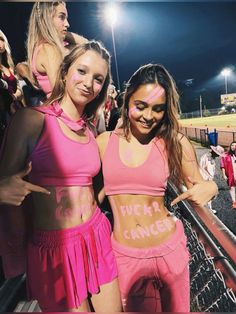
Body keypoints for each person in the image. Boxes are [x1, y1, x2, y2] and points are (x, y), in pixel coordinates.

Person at [0, 41, 121, 312]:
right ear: (65, 72)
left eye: (98, 78)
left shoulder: (90, 131)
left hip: (96, 236)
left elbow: (93, 187)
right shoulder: (31, 120)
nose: (89, 83)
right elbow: (5, 186)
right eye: (82, 71)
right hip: (54, 251)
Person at [95, 64, 218, 312]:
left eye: (158, 109)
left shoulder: (174, 142)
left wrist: (212, 187)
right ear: (128, 99)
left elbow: (202, 184)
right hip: (126, 258)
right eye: (140, 106)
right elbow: (89, 200)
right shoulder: (104, 143)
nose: (148, 116)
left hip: (169, 252)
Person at [26, 1, 88, 97]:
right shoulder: (48, 49)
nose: (67, 24)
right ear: (46, 19)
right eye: (61, 17)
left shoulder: (51, 47)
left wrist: (60, 33)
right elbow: (61, 93)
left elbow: (87, 46)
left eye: (66, 18)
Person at [0, 30, 25, 142]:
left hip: (16, 108)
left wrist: (15, 96)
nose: (0, 43)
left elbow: (19, 88)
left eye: (1, 39)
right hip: (4, 111)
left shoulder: (9, 66)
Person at [199, 145, 224, 214]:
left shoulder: (207, 156)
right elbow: (208, 170)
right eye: (217, 154)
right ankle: (208, 211)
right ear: (214, 152)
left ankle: (207, 209)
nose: (218, 156)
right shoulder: (209, 159)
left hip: (205, 178)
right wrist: (210, 180)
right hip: (205, 179)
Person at [220, 141, 236, 209]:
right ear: (230, 146)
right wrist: (224, 175)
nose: (234, 147)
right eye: (232, 145)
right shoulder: (225, 155)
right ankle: (234, 202)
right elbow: (222, 165)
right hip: (230, 174)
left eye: (235, 146)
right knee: (232, 188)